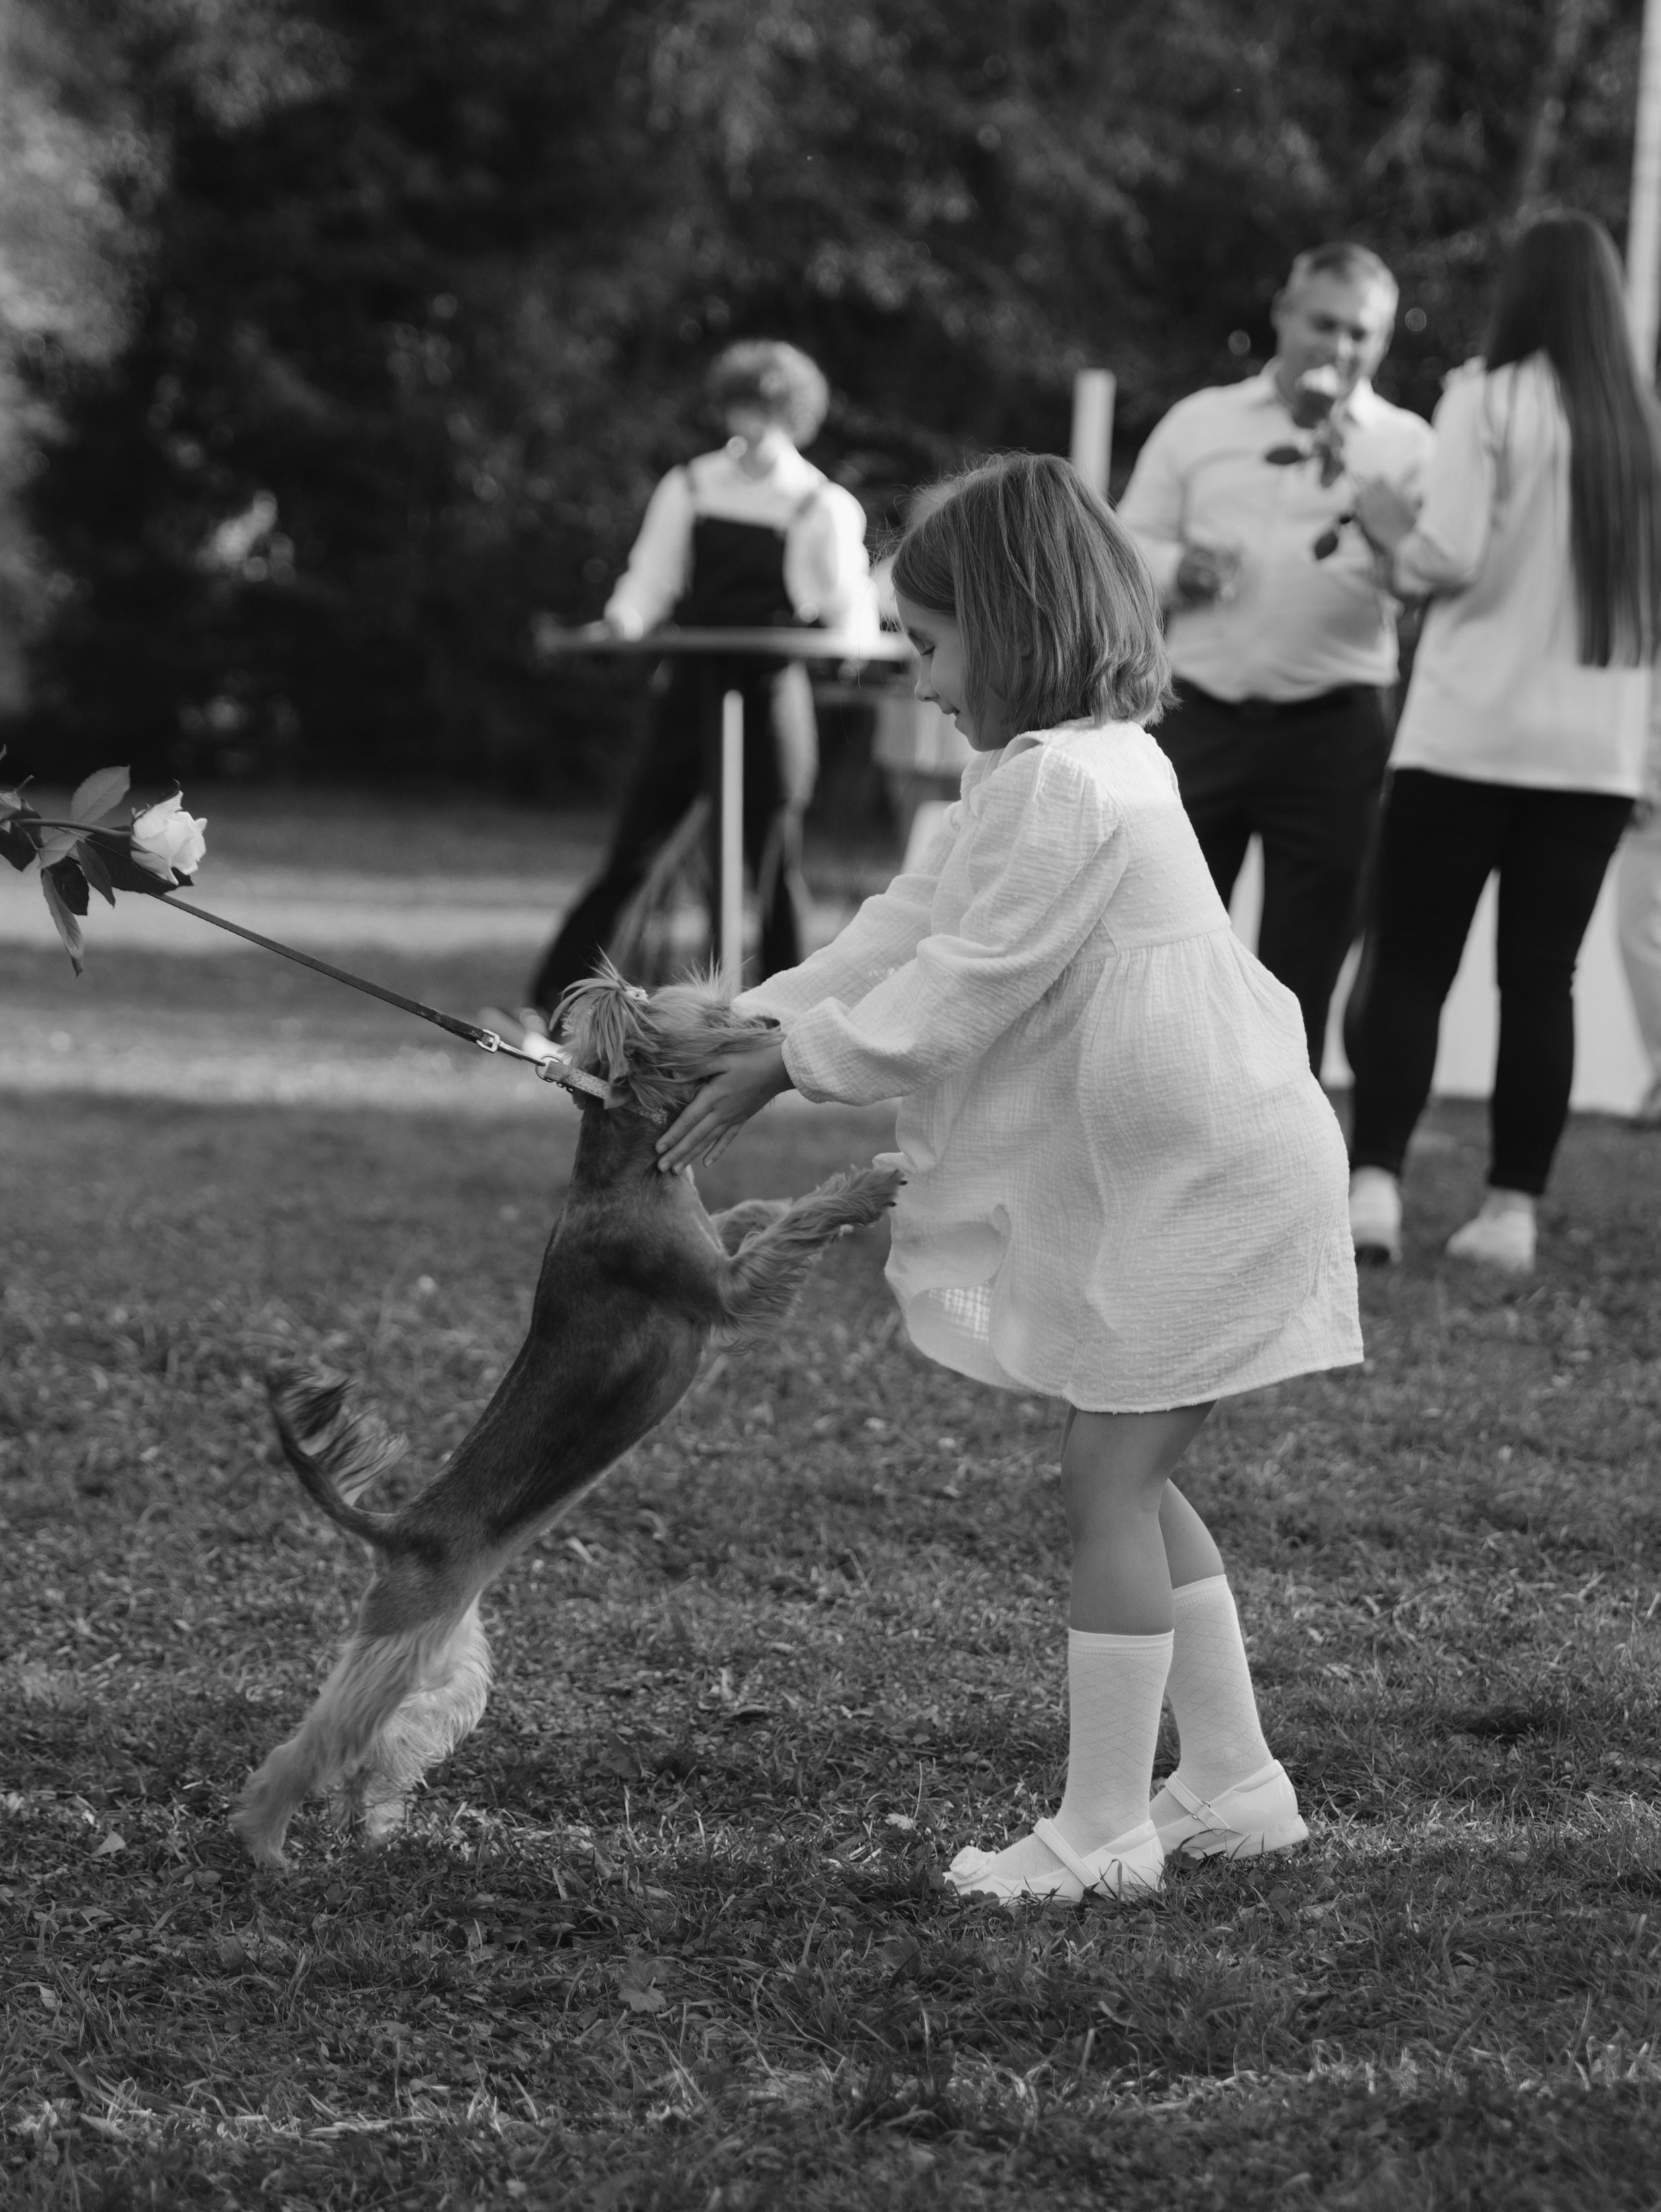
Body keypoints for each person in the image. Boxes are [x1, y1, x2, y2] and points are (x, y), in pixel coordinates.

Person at [652, 455, 1362, 1903]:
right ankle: (1234, 1783)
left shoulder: (1071, 785)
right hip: (1185, 1169)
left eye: (927, 644)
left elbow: (963, 985)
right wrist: (760, 1018)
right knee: (1136, 1474)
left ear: (1013, 623)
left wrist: (792, 1065)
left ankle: (1100, 1833)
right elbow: (909, 922)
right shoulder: (1045, 766)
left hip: (1213, 1175)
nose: (915, 680)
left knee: (1110, 1478)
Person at [1345, 211, 1661, 1272]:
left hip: (1465, 735)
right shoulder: (1639, 426)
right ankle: (1509, 1213)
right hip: (1591, 754)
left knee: (1410, 968)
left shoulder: (1486, 398)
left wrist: (1382, 518)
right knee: (1541, 981)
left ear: (1519, 295)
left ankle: (1374, 1187)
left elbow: (1446, 553)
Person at [1118, 243, 1435, 1073]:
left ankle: (1282, 1148)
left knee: (1307, 959)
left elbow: (1428, 580)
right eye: (1324, 323)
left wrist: (1392, 538)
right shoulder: (1201, 421)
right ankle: (1161, 1121)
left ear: (1383, 343)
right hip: (1199, 713)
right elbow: (1124, 544)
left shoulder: (1407, 446)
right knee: (1164, 943)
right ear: (1284, 315)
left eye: (1361, 334)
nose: (1340, 347)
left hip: (1336, 727)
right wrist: (1175, 567)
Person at [523, 342, 872, 1021]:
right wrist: (623, 622)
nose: (750, 433)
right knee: (636, 846)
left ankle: (784, 1014)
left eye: (766, 417)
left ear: (792, 420)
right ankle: (557, 999)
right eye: (742, 415)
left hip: (772, 688)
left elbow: (848, 603)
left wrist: (856, 643)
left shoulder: (820, 503)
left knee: (772, 860)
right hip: (693, 687)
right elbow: (650, 578)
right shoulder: (691, 484)